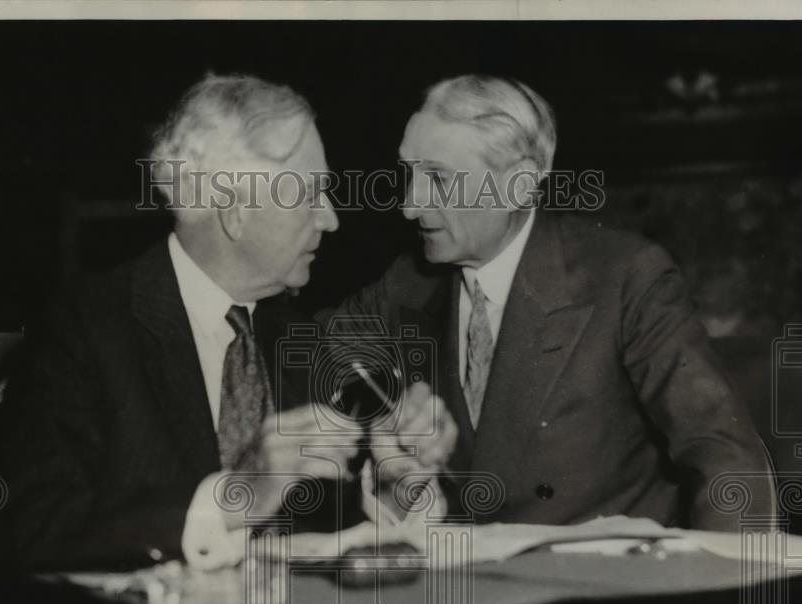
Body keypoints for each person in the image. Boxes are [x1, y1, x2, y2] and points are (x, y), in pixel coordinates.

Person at [0, 73, 449, 573]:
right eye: (312, 195)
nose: (331, 219)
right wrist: (238, 496)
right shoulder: (83, 327)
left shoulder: (303, 342)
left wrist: (394, 485)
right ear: (235, 211)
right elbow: (35, 529)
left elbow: (329, 537)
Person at [322, 74, 776, 531]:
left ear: (519, 185)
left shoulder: (626, 277)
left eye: (437, 178)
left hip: (601, 588)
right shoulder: (407, 285)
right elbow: (307, 360)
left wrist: (723, 591)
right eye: (409, 173)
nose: (409, 204)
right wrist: (384, 420)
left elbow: (723, 453)